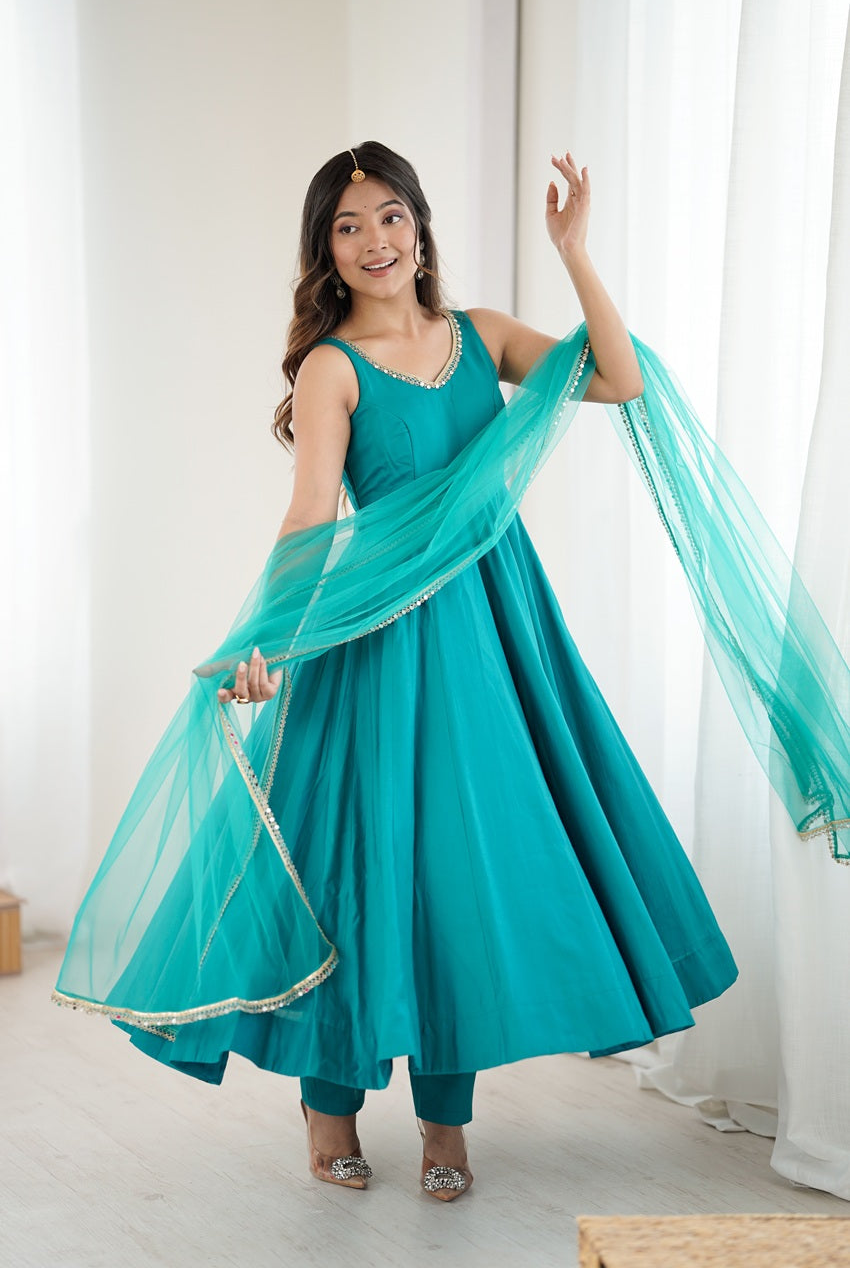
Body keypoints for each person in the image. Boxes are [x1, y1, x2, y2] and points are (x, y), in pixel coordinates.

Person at [53, 141, 740, 1203]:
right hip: (374, 640)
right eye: (347, 225)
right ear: (325, 251)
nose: (374, 240)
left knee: (463, 873)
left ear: (419, 226)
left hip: (494, 634)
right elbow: (309, 515)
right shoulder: (332, 367)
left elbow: (620, 377)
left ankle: (445, 1121)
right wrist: (269, 641)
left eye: (389, 216)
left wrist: (573, 251)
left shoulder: (483, 337)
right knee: (351, 864)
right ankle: (328, 1109)